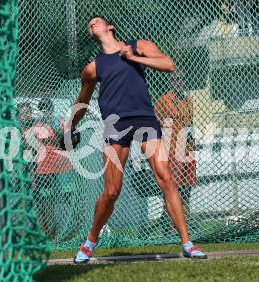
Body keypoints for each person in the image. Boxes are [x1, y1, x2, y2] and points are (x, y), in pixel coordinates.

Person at [69, 16, 207, 263]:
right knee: (111, 192)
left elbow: (168, 64)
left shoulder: (137, 46)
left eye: (96, 21)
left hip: (144, 118)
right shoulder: (93, 67)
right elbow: (82, 102)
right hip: (116, 125)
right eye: (89, 24)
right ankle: (90, 242)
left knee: (166, 177)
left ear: (110, 26)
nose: (91, 24)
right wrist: (70, 126)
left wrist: (134, 58)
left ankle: (187, 243)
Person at [153, 72, 197, 233]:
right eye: (175, 80)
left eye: (181, 80)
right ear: (170, 83)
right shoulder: (163, 101)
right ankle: (167, 224)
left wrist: (193, 143)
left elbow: (190, 124)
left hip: (187, 151)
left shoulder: (188, 101)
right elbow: (153, 123)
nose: (179, 83)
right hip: (171, 151)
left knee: (187, 189)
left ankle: (182, 222)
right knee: (172, 188)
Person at [24, 98, 73, 239]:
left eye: (47, 108)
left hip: (61, 165)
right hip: (45, 166)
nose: (45, 111)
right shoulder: (36, 127)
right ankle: (48, 230)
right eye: (42, 109)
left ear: (52, 110)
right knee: (47, 198)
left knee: (67, 196)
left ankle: (68, 228)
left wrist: (55, 128)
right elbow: (29, 143)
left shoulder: (59, 122)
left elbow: (66, 139)